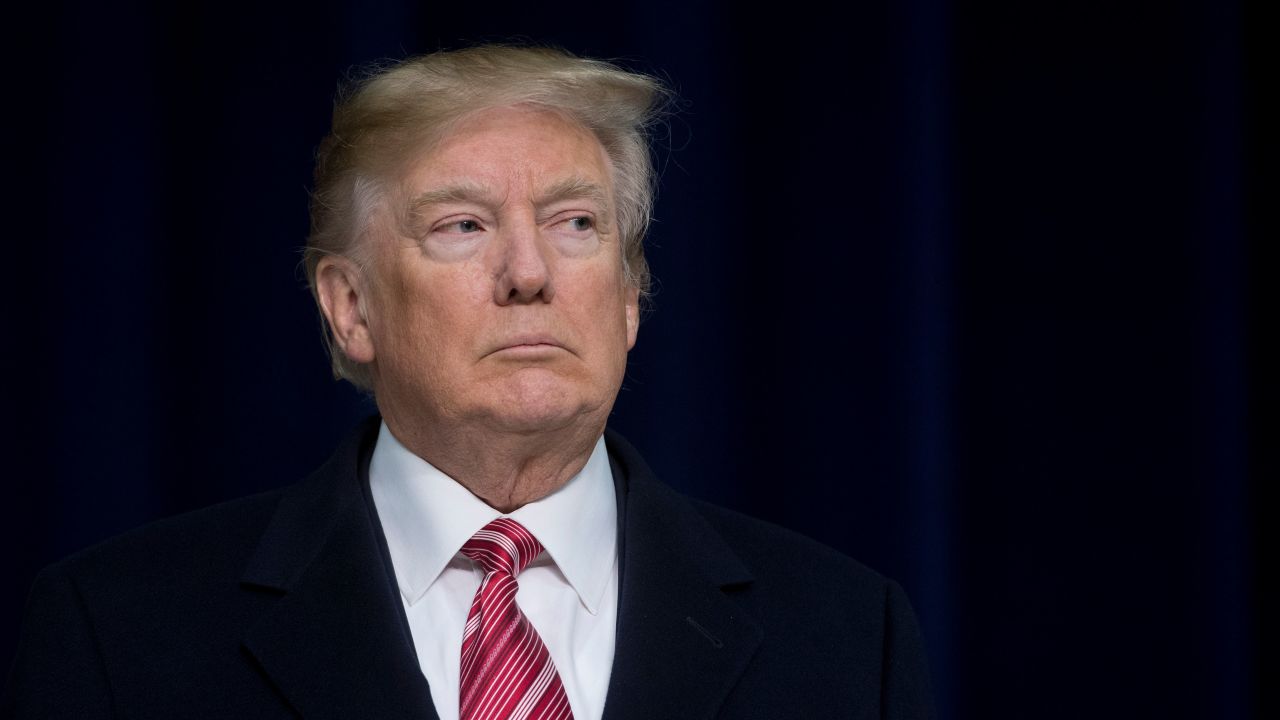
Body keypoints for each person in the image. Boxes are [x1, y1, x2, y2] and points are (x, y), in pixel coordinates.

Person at [5, 45, 936, 719]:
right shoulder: (118, 634)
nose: (530, 272)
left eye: (576, 223)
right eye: (463, 226)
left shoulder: (851, 639)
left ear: (630, 299)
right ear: (351, 308)